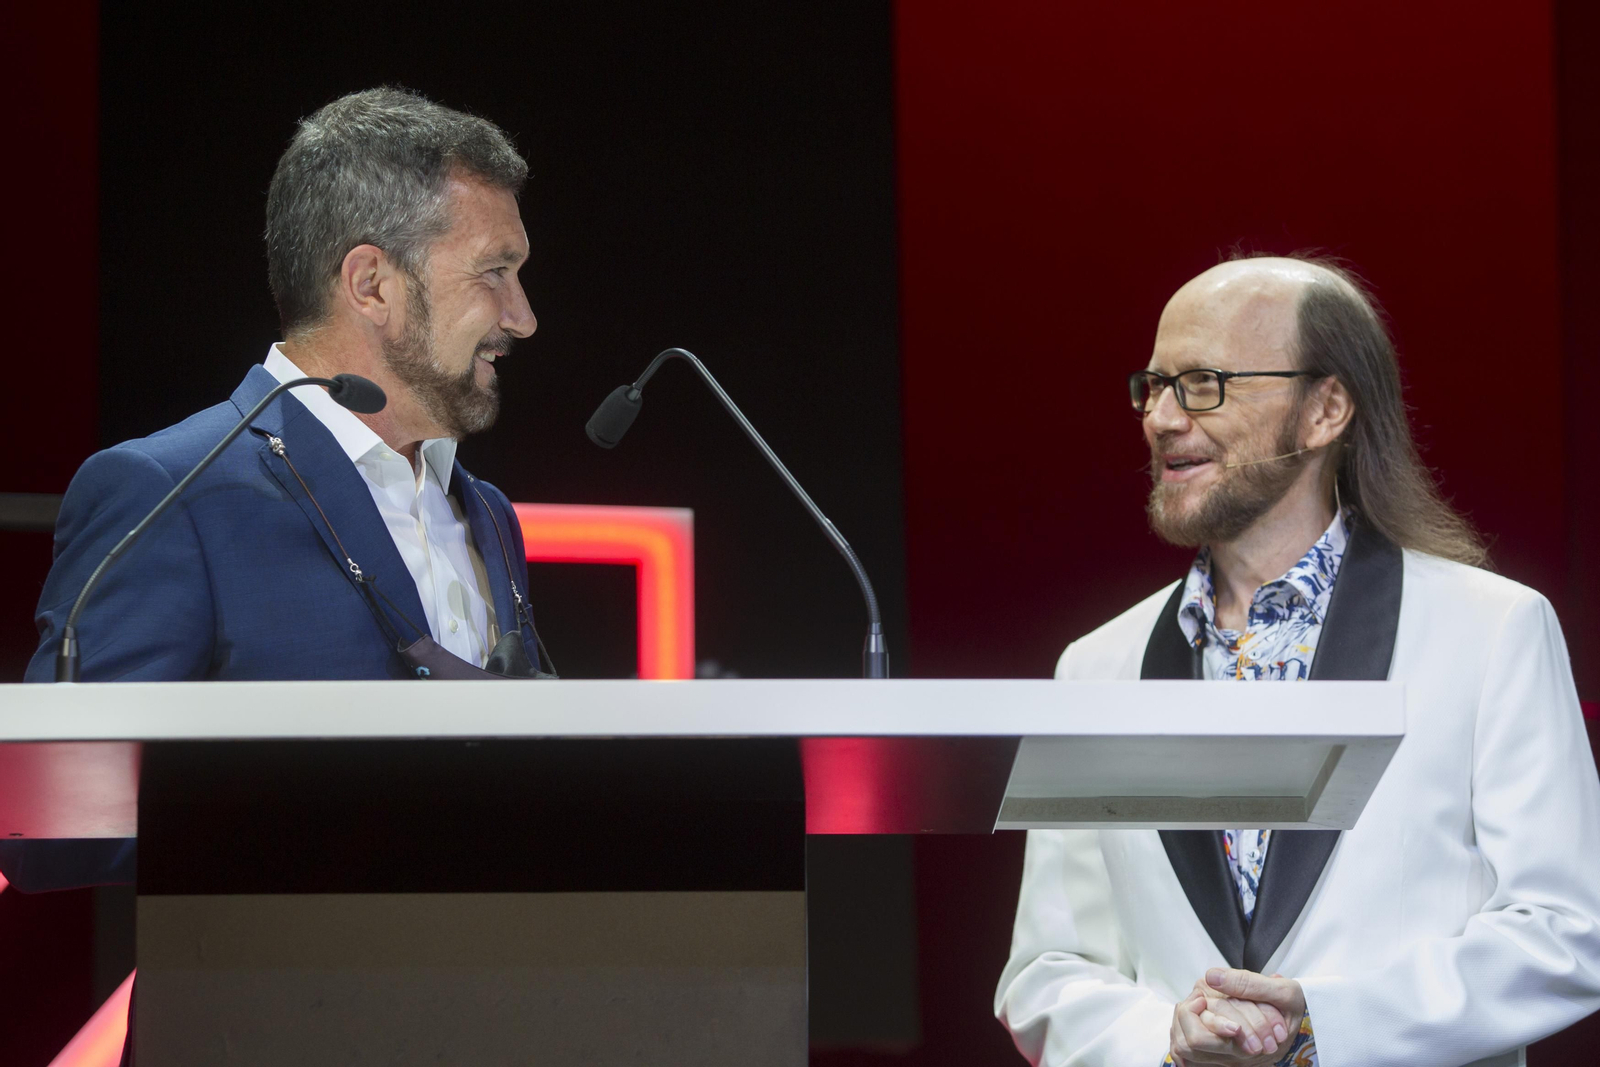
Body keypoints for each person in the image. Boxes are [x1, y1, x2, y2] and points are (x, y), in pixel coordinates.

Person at [995, 255, 1600, 1067]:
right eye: (1155, 385)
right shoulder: (1095, 667)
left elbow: (1569, 930)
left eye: (1204, 383)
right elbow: (1048, 969)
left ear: (1326, 409)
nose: (1163, 418)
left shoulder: (1491, 632)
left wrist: (1327, 1024)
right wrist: (1164, 1043)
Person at [26, 87, 548, 684]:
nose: (522, 317)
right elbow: (76, 771)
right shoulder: (165, 498)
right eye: (494, 272)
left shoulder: (490, 514)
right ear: (371, 284)